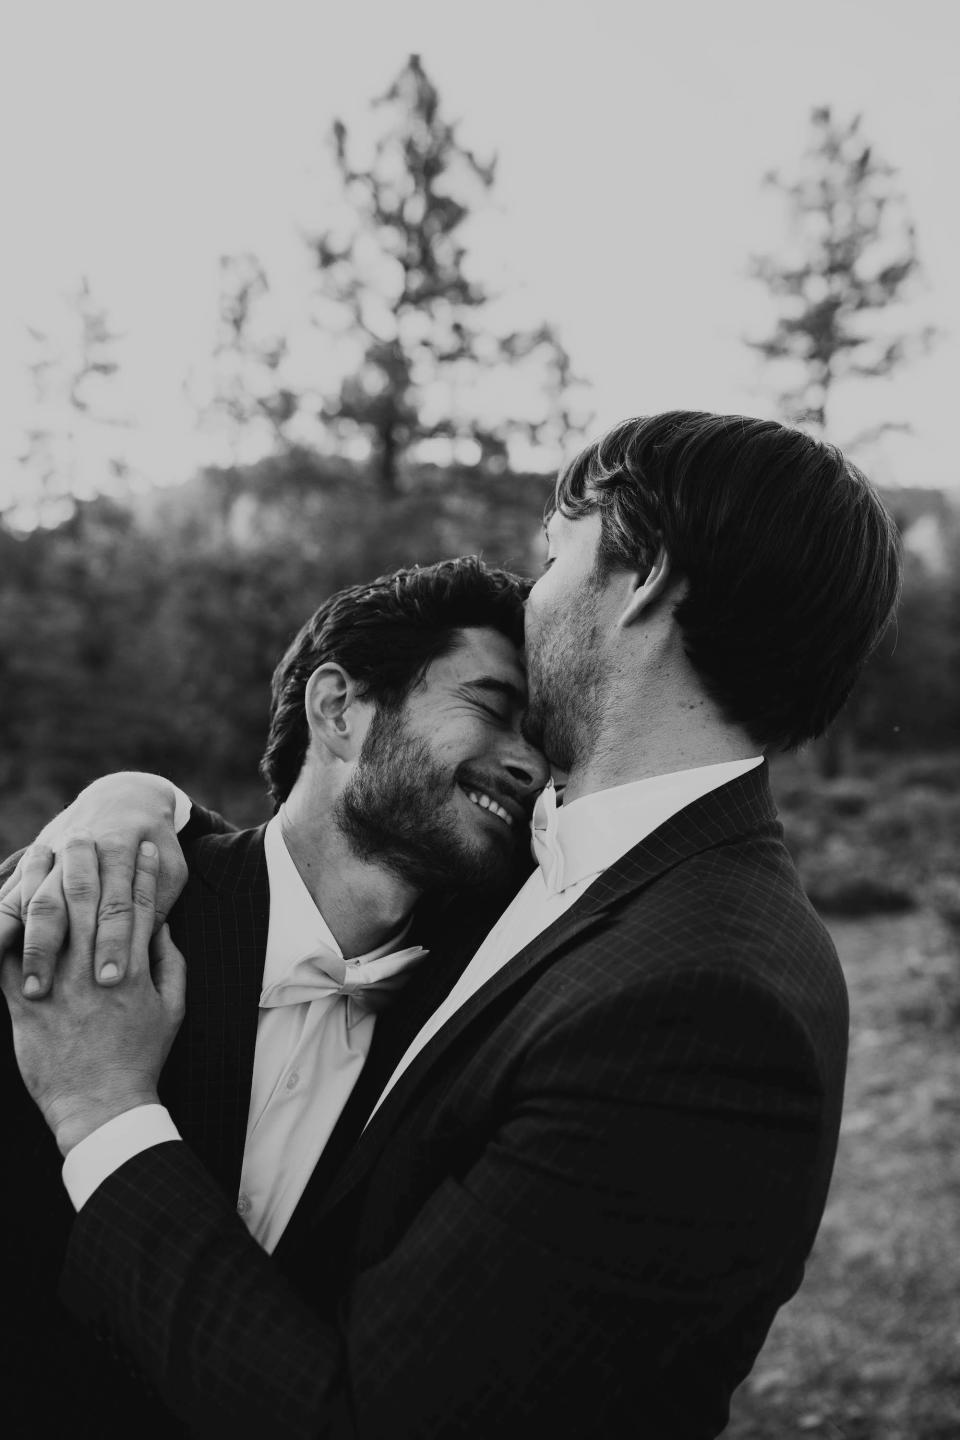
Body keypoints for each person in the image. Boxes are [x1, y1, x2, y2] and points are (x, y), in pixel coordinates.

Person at [2, 411, 902, 1439]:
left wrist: (101, 1107)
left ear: (645, 579)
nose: (538, 600)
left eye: (557, 555)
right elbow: (319, 844)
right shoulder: (549, 878)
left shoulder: (705, 1000)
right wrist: (131, 801)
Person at [0, 556, 547, 1438]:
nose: (528, 763)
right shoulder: (92, 913)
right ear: (338, 710)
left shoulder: (488, 1013)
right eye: (492, 708)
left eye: (544, 739)